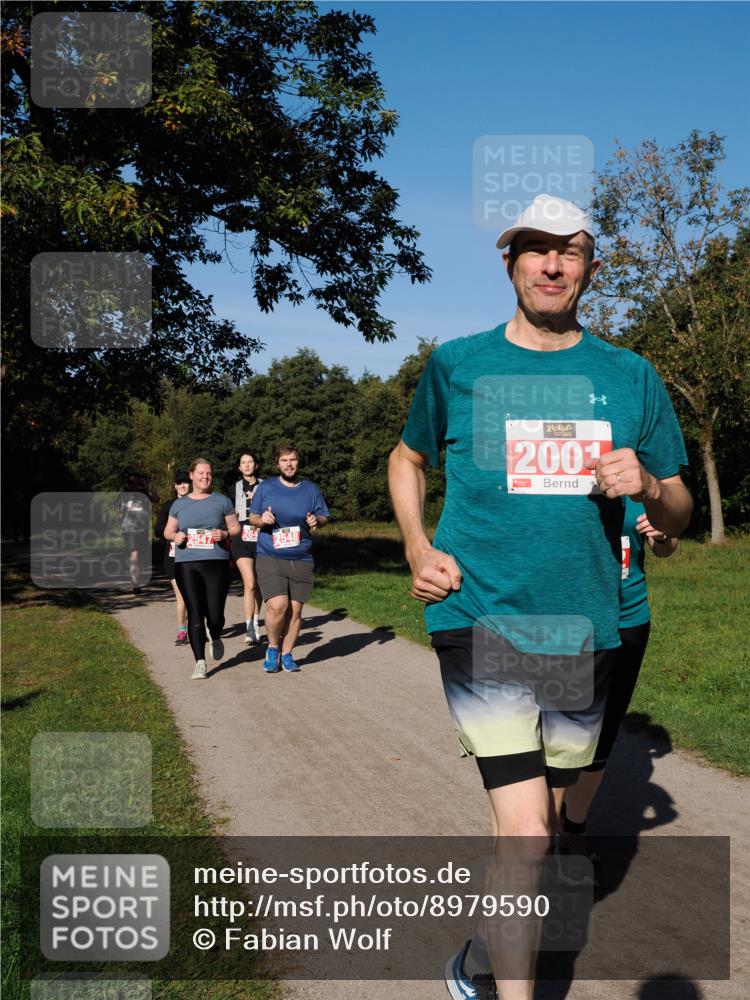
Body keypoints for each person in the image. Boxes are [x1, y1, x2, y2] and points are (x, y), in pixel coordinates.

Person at [387, 194, 692, 1000]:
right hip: (477, 614)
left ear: (591, 268)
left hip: (582, 625)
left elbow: (682, 512)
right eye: (536, 249)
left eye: (571, 252)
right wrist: (418, 547)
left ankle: (479, 958)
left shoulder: (629, 376)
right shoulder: (459, 364)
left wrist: (654, 487)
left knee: (545, 826)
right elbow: (407, 458)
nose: (552, 265)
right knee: (524, 833)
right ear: (510, 262)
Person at [561, 498, 678, 835]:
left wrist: (663, 535)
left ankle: (573, 830)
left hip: (628, 621)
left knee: (603, 731)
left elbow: (665, 547)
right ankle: (537, 828)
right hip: (567, 622)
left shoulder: (643, 486)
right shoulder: (560, 478)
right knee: (555, 729)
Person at [248, 443, 330, 674]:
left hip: (301, 557)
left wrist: (317, 521)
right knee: (278, 605)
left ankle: (287, 653)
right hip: (270, 555)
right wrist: (262, 519)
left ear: (298, 462)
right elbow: (252, 518)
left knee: (295, 610)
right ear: (277, 464)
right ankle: (272, 648)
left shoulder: (310, 489)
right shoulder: (266, 488)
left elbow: (324, 516)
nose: (289, 464)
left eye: (292, 460)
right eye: (284, 460)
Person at [163, 458, 241, 680]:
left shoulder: (222, 501)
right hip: (187, 563)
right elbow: (168, 531)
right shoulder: (179, 505)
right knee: (195, 611)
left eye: (209, 473)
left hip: (216, 563)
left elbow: (235, 527)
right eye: (201, 473)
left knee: (215, 615)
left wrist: (225, 534)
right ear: (191, 475)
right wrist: (175, 536)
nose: (205, 477)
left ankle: (215, 635)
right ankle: (199, 662)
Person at [229, 451, 264, 644]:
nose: (247, 465)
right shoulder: (232, 489)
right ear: (239, 467)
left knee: (258, 585)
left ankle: (256, 624)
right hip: (241, 541)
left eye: (251, 461)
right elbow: (227, 515)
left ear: (256, 465)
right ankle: (249, 628)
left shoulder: (267, 486)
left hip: (262, 539)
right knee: (249, 583)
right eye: (243, 462)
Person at [154, 470, 191, 645]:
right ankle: (182, 632)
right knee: (182, 596)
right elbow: (158, 530)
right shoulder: (168, 506)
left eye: (186, 482)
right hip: (173, 557)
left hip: (194, 556)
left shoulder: (196, 504)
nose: (183, 485)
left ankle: (197, 627)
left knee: (195, 594)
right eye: (180, 482)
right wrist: (173, 534)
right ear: (175, 486)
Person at [117, 472, 157, 594]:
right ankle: (136, 585)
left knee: (140, 557)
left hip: (143, 529)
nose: (134, 485)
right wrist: (122, 517)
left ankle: (134, 573)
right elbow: (119, 513)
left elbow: (156, 499)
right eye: (131, 482)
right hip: (129, 529)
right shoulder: (123, 496)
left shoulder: (144, 494)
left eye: (136, 482)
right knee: (134, 555)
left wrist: (146, 488)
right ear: (128, 483)